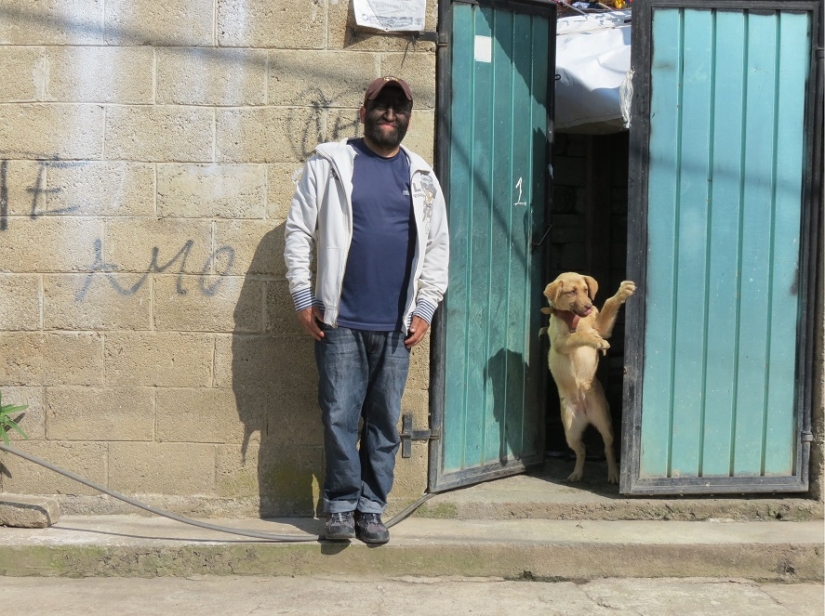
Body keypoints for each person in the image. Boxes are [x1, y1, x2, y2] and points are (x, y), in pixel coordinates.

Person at [283, 76, 449, 544]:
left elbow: (438, 246)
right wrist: (303, 296)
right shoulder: (330, 164)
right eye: (381, 106)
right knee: (338, 413)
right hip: (339, 321)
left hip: (397, 326)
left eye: (398, 108)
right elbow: (299, 232)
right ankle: (340, 505)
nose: (389, 114)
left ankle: (371, 508)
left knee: (383, 420)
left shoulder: (421, 176)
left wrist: (426, 307)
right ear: (364, 110)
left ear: (409, 118)